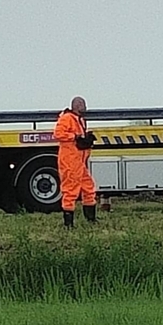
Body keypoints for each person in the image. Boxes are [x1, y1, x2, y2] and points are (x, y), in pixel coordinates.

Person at [53, 96, 97, 228]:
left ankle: (91, 219)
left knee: (88, 187)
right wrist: (75, 137)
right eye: (83, 104)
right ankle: (68, 223)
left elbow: (79, 140)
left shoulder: (80, 119)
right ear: (77, 105)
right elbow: (58, 134)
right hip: (70, 161)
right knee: (70, 190)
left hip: (79, 162)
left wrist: (86, 140)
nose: (85, 107)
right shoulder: (67, 118)